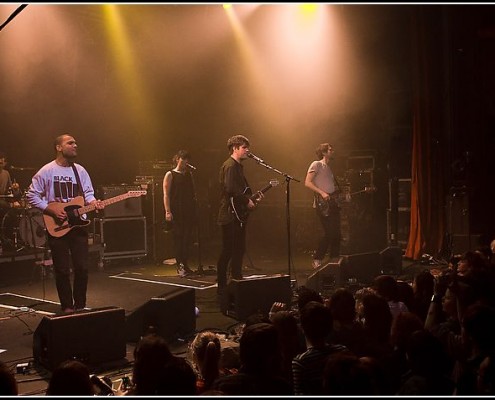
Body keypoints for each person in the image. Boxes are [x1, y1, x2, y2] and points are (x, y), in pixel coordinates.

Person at [26, 134, 104, 313]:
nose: (75, 145)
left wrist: (93, 203)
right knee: (61, 269)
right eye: (70, 143)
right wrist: (50, 209)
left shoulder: (80, 171)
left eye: (76, 142)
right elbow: (32, 195)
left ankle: (80, 305)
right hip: (57, 225)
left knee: (82, 268)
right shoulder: (47, 170)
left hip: (78, 225)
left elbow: (88, 193)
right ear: (59, 147)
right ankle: (67, 306)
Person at [216, 135, 261, 297]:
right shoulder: (230, 166)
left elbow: (241, 190)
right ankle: (221, 285)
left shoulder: (238, 167)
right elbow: (230, 189)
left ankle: (236, 278)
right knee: (228, 250)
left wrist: (252, 198)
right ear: (235, 148)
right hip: (229, 214)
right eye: (244, 147)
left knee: (239, 248)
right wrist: (245, 200)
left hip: (236, 214)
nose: (247, 150)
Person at [304, 143, 342, 269]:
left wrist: (340, 195)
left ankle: (334, 259)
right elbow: (307, 182)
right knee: (330, 232)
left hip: (332, 202)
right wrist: (322, 192)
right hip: (322, 203)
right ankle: (317, 258)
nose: (333, 151)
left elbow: (331, 187)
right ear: (324, 152)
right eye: (330, 149)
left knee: (337, 233)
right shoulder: (316, 164)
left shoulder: (329, 168)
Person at [163, 150, 197, 277]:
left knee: (187, 239)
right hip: (176, 210)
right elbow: (166, 194)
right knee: (179, 238)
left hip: (188, 210)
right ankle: (180, 265)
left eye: (188, 159)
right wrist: (168, 211)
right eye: (184, 159)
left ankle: (185, 264)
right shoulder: (170, 174)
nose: (186, 162)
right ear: (178, 159)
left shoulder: (189, 175)